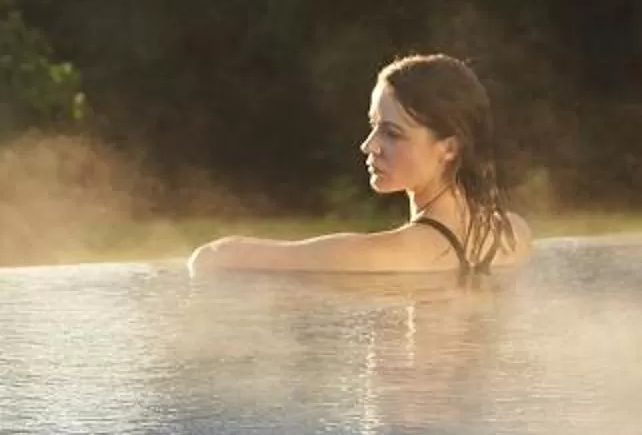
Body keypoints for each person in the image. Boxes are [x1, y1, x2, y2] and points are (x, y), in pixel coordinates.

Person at [187, 53, 532, 281]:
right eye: (373, 126)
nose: (370, 145)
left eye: (392, 133)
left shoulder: (378, 257)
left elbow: (210, 258)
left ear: (449, 148)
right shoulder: (515, 234)